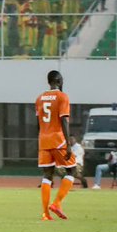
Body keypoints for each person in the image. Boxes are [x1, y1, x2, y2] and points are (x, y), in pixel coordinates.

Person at [35, 70, 75, 220]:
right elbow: (64, 120)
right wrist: (68, 144)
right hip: (58, 139)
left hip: (43, 140)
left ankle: (45, 213)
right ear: (58, 80)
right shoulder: (62, 97)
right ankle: (57, 203)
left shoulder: (39, 99)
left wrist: (41, 138)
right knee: (72, 171)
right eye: (62, 80)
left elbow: (37, 124)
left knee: (47, 175)